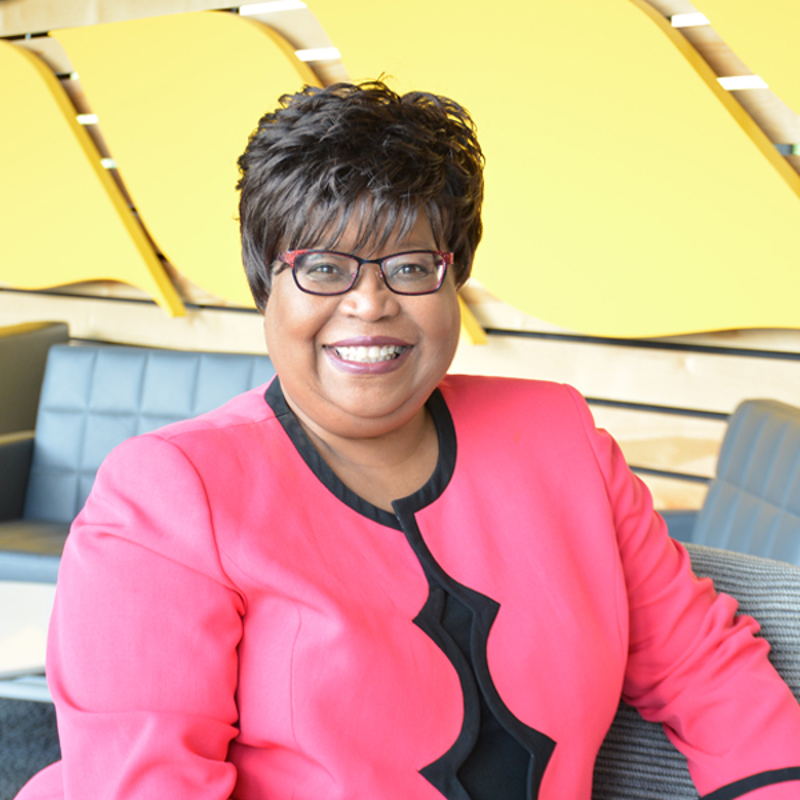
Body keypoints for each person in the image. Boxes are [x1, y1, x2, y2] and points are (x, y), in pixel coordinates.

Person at [16, 81, 800, 800]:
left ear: (452, 280)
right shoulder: (170, 491)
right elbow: (143, 784)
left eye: (410, 265)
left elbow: (705, 670)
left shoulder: (559, 438)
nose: (369, 303)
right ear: (267, 288)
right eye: (323, 266)